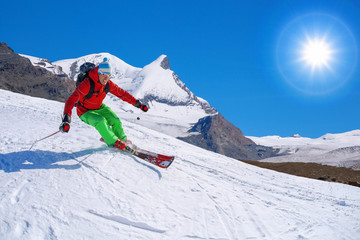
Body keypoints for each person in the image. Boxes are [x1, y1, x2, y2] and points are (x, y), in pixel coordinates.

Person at [59, 58, 148, 150]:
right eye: (104, 74)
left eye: (108, 75)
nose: (106, 78)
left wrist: (138, 104)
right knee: (100, 120)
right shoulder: (87, 84)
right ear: (99, 73)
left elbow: (122, 94)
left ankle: (123, 140)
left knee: (115, 120)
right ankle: (113, 142)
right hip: (84, 111)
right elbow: (71, 100)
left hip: (99, 107)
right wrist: (66, 119)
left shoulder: (107, 84)